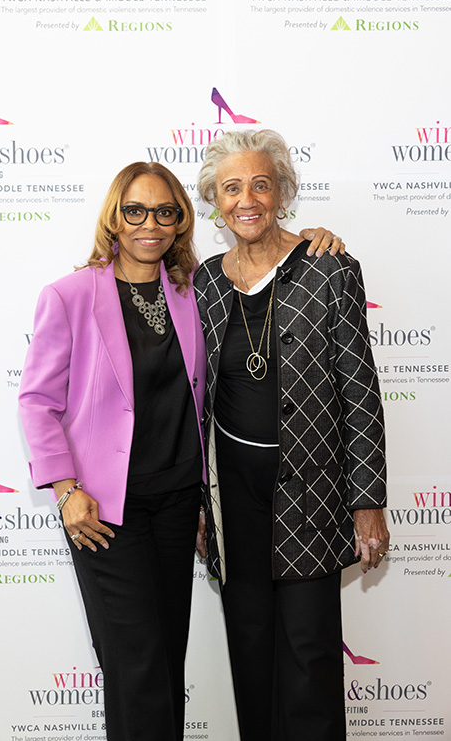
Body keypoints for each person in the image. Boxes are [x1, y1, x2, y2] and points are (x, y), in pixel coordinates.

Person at [18, 160, 341, 741]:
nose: (150, 224)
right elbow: (37, 402)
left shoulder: (195, 291)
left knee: (167, 657)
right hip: (104, 511)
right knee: (137, 663)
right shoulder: (69, 296)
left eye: (165, 212)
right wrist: (66, 489)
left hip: (177, 507)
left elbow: (263, 269)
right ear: (115, 218)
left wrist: (315, 238)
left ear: (181, 222)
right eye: (136, 211)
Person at [194, 130, 389, 741]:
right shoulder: (204, 283)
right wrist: (199, 502)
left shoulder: (329, 268)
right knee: (250, 647)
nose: (246, 199)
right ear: (215, 201)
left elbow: (359, 392)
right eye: (231, 188)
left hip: (310, 492)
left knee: (309, 656)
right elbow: (192, 401)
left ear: (282, 192)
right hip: (234, 497)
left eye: (261, 184)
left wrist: (367, 503)